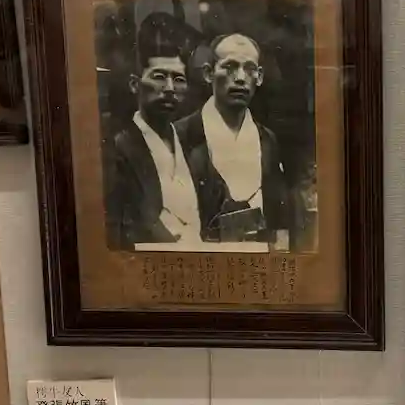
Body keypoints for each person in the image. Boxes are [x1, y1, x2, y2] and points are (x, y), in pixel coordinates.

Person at [176, 32, 291, 247]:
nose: (240, 78)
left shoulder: (267, 140)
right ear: (209, 73)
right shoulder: (182, 134)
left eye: (249, 69)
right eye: (229, 67)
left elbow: (278, 218)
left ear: (259, 77)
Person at [106, 17, 202, 249]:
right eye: (159, 77)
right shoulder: (117, 148)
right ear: (135, 84)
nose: (169, 88)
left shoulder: (191, 143)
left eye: (178, 79)